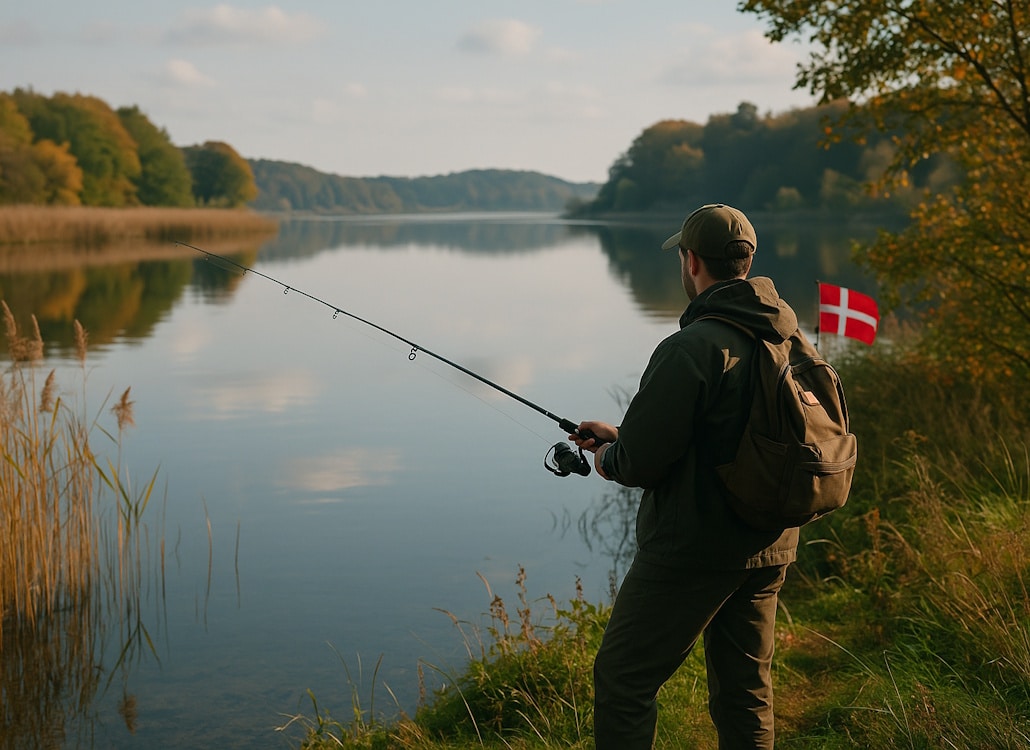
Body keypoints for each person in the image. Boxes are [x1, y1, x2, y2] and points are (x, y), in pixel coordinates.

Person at [570, 203, 801, 749]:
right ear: (745, 261)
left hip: (695, 547)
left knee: (623, 679)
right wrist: (624, 434)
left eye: (682, 255)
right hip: (770, 542)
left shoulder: (690, 348)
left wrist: (608, 458)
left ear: (691, 260)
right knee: (746, 690)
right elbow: (724, 432)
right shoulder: (785, 334)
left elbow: (644, 465)